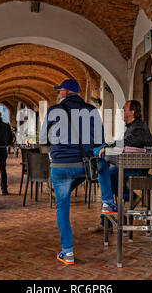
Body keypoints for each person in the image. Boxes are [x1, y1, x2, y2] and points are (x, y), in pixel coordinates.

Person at [40, 79, 107, 265]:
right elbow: (100, 139)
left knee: (62, 207)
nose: (57, 94)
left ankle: (67, 252)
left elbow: (43, 139)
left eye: (58, 91)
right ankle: (107, 204)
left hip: (60, 166)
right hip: (83, 165)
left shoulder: (54, 111)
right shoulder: (92, 110)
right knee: (101, 169)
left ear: (65, 92)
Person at [89, 100, 152, 233]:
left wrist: (107, 147)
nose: (122, 113)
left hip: (136, 168)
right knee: (104, 171)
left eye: (124, 110)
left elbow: (126, 144)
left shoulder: (139, 127)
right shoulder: (132, 126)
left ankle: (109, 216)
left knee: (105, 174)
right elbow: (123, 144)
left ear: (132, 112)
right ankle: (123, 200)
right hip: (128, 164)